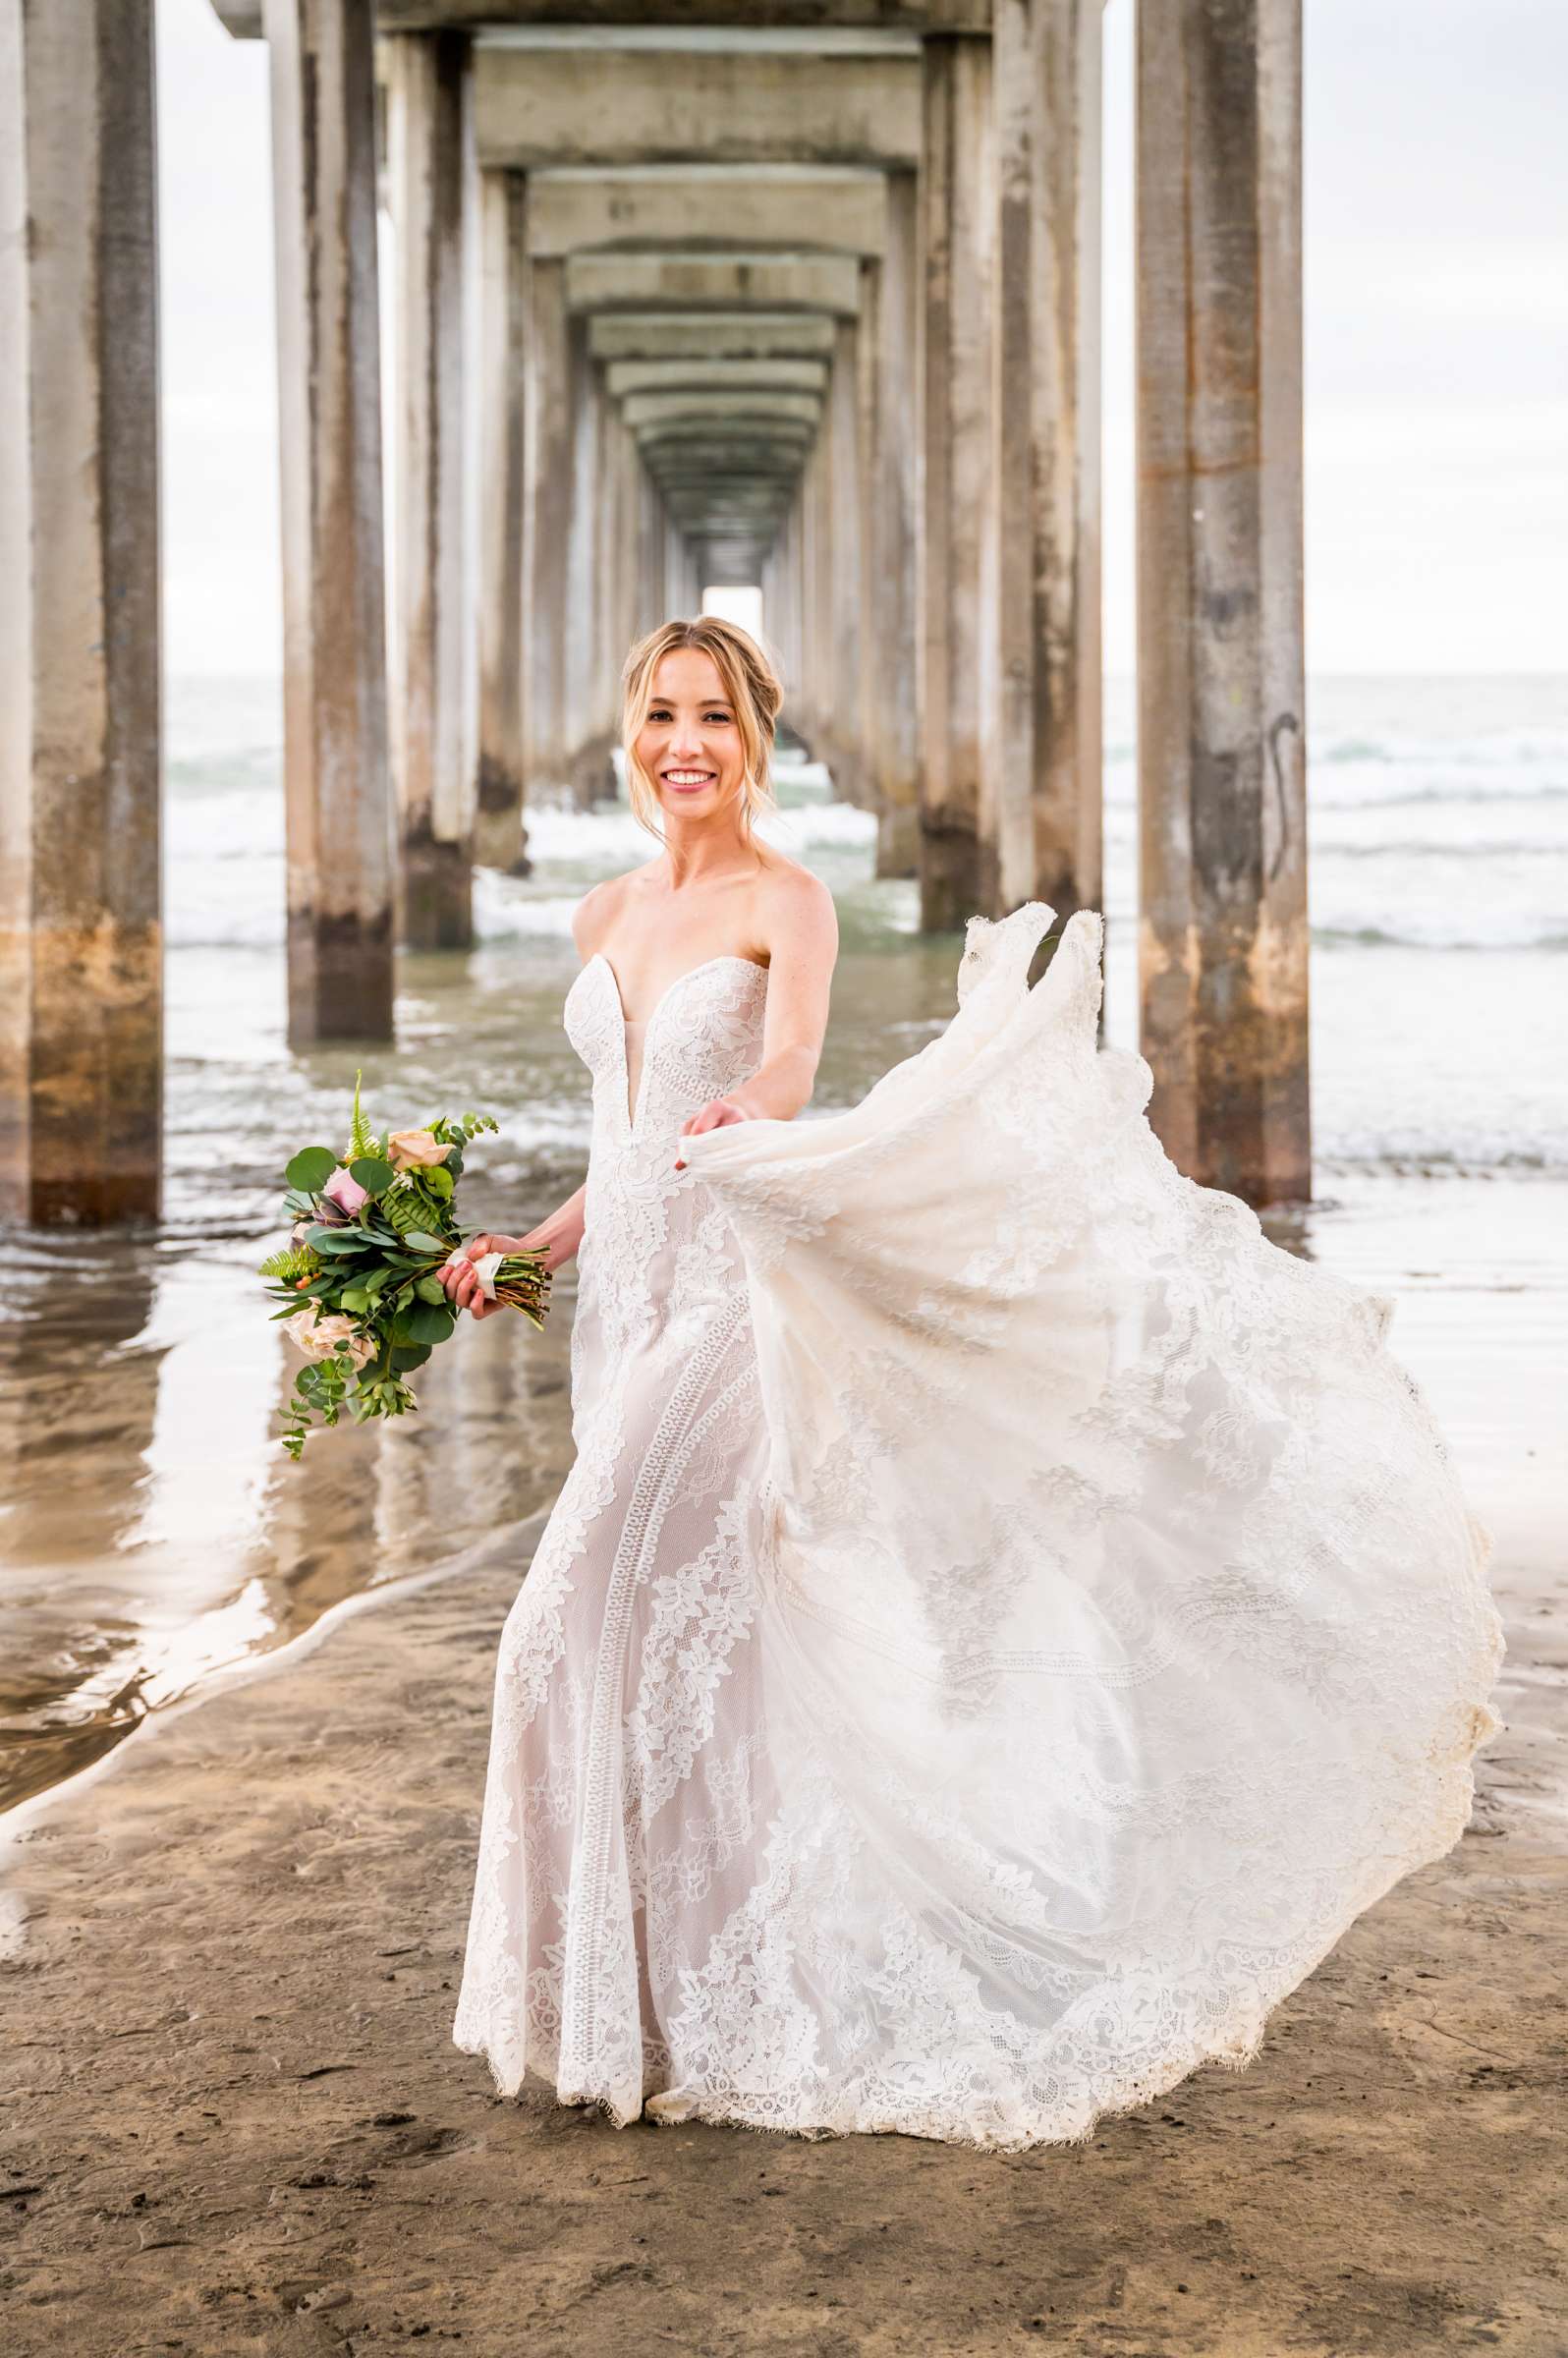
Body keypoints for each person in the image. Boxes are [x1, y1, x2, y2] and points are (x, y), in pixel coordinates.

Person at [444, 615, 1503, 2152]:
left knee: (563, 1626)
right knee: (708, 1647)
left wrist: (754, 1109)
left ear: (756, 737)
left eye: (718, 719)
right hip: (622, 1307)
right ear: (632, 729)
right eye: (665, 715)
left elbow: (791, 1058)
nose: (689, 744)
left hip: (726, 1310)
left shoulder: (787, 896)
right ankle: (656, 2008)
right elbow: (618, 1138)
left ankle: (673, 2002)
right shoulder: (606, 907)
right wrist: (526, 1252)